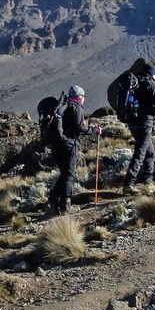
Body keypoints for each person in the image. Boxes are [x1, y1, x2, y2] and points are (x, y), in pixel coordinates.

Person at [121, 66, 155, 194]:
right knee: (140, 152)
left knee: (149, 153)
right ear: (153, 74)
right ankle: (129, 184)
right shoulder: (150, 84)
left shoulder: (135, 84)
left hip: (133, 123)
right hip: (145, 124)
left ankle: (148, 182)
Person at [48, 86, 95, 214]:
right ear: (79, 96)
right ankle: (65, 206)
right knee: (69, 175)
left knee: (64, 174)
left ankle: (52, 202)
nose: (84, 99)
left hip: (57, 144)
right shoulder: (76, 107)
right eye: (83, 97)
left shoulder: (62, 107)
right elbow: (80, 128)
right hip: (69, 144)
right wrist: (94, 130)